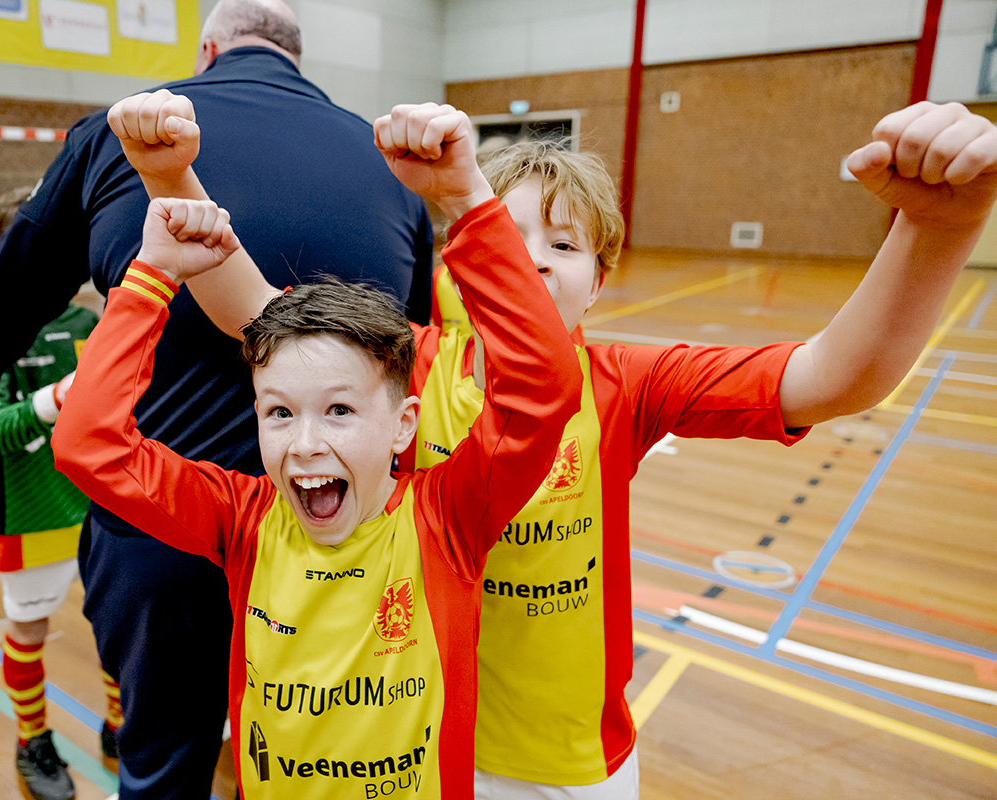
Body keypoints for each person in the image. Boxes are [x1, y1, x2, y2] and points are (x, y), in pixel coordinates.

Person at [111, 92, 997, 799]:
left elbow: (832, 377)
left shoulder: (629, 383)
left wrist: (938, 229)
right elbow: (253, 307)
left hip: (570, 764)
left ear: (601, 280)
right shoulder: (400, 370)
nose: (530, 259)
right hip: (413, 755)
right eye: (505, 230)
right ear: (457, 257)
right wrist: (168, 177)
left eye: (563, 243)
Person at [0, 1, 432, 795]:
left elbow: (17, 281)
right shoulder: (382, 162)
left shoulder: (122, 134)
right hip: (335, 529)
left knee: (161, 762)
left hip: (162, 524)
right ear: (298, 59)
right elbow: (417, 343)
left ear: (208, 50)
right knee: (325, 749)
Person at [52, 96, 582, 799]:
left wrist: (467, 199)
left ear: (404, 426)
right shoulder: (241, 518)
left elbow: (543, 382)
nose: (304, 444)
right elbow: (88, 445)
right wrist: (150, 276)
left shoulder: (447, 519)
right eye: (278, 412)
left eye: (338, 410)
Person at [0, 187, 121, 800]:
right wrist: (51, 400)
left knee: (113, 628)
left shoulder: (89, 323)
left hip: (102, 512)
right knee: (27, 634)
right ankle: (32, 737)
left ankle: (119, 725)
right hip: (31, 519)